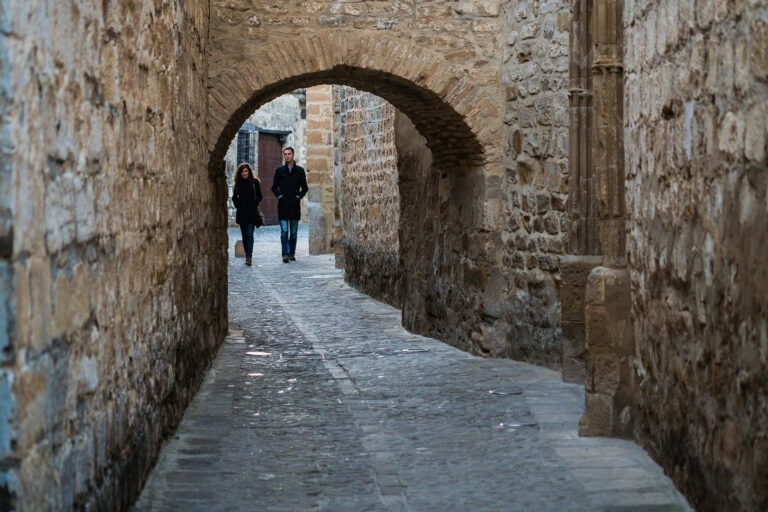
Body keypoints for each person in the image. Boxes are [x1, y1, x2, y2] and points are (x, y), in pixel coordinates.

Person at [271, 147, 307, 263]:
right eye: (285, 154)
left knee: (294, 233)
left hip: (294, 206)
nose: (287, 156)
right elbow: (274, 187)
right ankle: (285, 254)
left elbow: (305, 188)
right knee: (284, 231)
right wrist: (280, 196)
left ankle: (292, 253)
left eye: (289, 154)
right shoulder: (279, 170)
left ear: (293, 154)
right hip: (283, 206)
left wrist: (298, 196)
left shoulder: (300, 171)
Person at [232, 162, 263, 266]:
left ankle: (249, 257)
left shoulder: (254, 182)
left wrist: (253, 204)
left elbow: (259, 196)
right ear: (240, 173)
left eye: (246, 171)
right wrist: (238, 205)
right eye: (242, 172)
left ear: (249, 172)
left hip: (252, 212)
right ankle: (247, 255)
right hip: (241, 213)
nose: (244, 173)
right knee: (244, 236)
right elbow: (234, 197)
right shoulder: (238, 183)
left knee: (249, 234)